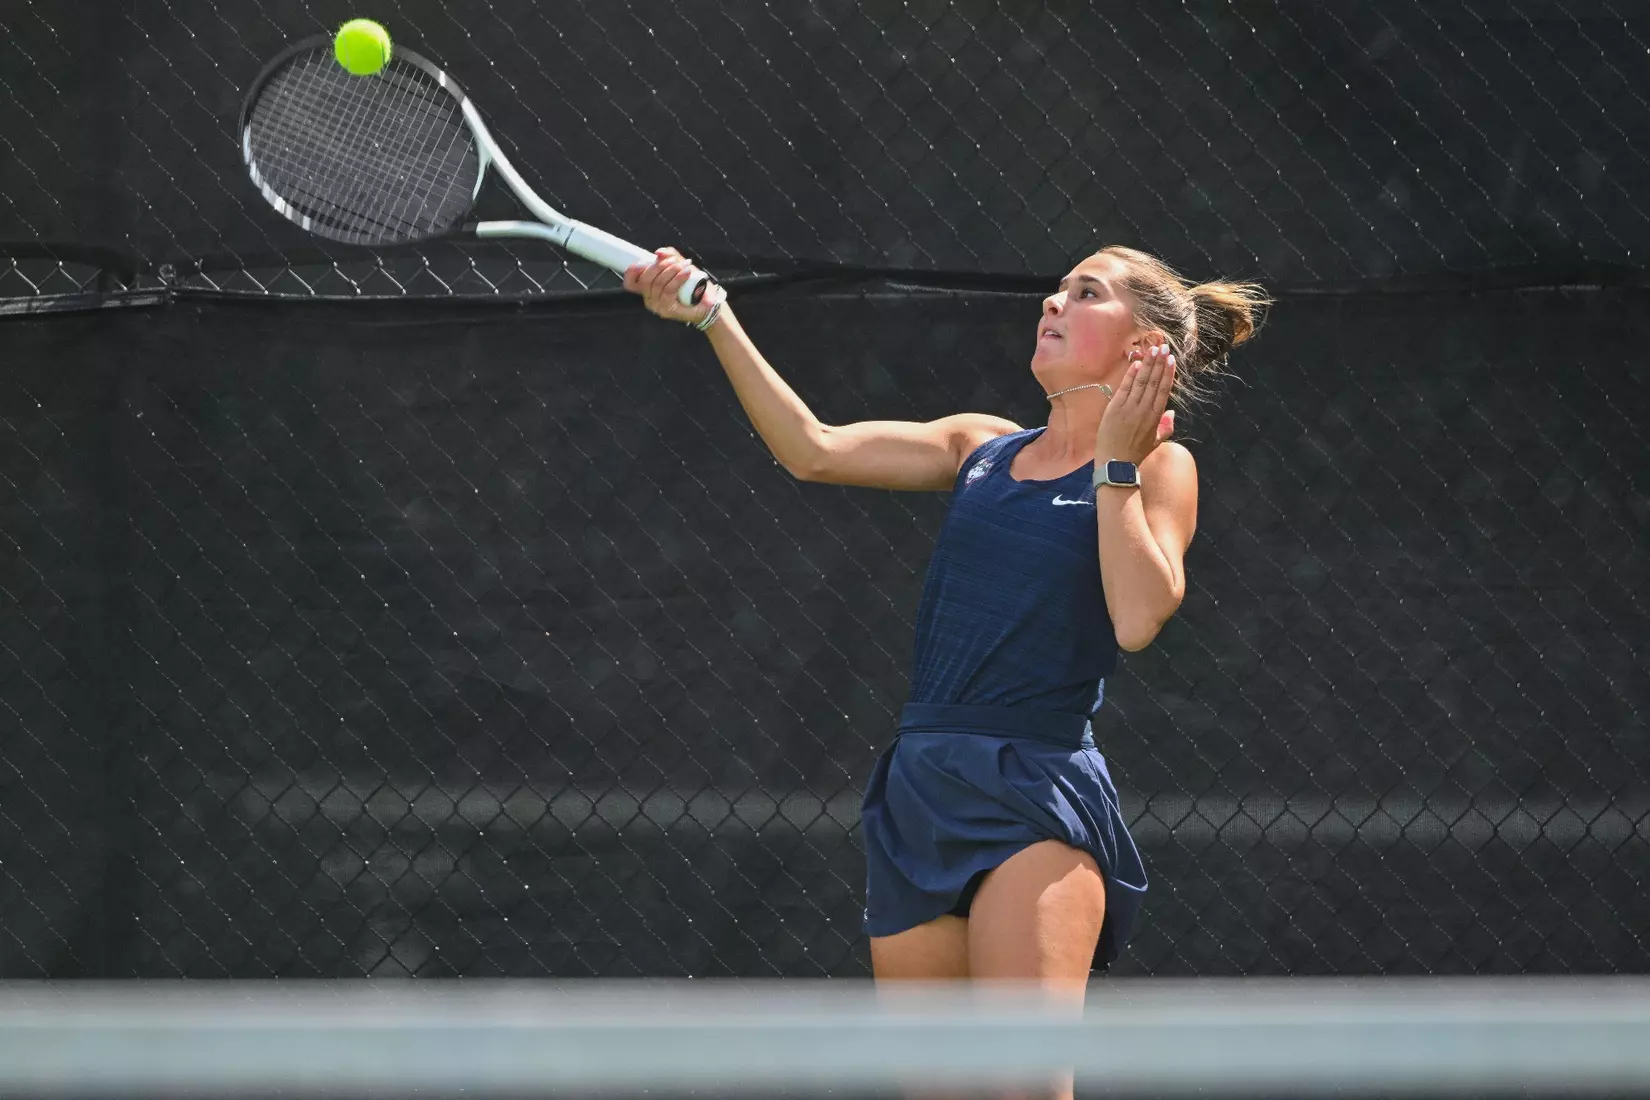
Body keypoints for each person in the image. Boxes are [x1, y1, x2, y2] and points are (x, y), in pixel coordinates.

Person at [625, 245, 1265, 1093]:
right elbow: (813, 447)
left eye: (1085, 292)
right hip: (921, 789)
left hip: (1034, 793)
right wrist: (713, 314)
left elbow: (1141, 616)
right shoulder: (982, 448)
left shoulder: (1159, 467)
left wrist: (1115, 459)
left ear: (1147, 343)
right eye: (1054, 288)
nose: (1052, 302)